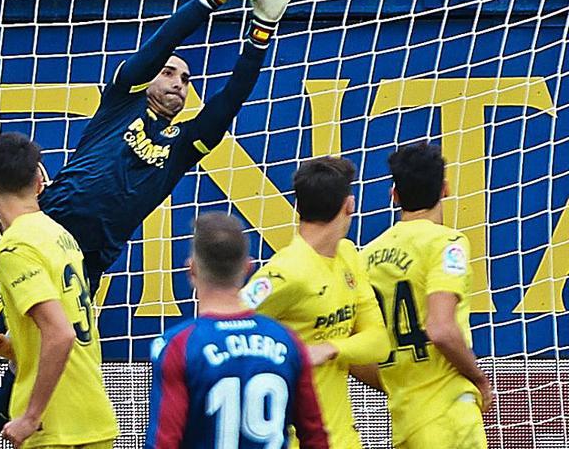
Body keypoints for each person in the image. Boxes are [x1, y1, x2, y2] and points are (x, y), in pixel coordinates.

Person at [0, 0, 301, 449]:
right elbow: (159, 44)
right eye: (170, 72)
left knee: (37, 362)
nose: (178, 82)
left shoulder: (182, 146)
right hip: (39, 239)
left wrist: (262, 28)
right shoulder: (120, 104)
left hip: (85, 264)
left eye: (186, 79)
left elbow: (230, 100)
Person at [0, 132, 118, 449]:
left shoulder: (15, 247)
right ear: (39, 182)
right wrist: (8, 345)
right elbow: (62, 326)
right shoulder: (60, 235)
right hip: (93, 415)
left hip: (52, 425)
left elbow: (61, 334)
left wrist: (30, 417)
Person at [239, 157, 389, 448]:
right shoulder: (284, 272)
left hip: (343, 439)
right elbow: (227, 327)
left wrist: (329, 348)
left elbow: (378, 341)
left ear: (298, 207)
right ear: (350, 204)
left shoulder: (348, 256)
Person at [146, 212, 329, 449]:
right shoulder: (287, 340)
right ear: (248, 267)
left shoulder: (178, 345)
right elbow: (316, 437)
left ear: (191, 269)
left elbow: (163, 442)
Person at [352, 142, 492, 448]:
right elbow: (441, 329)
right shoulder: (447, 243)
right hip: (449, 418)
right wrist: (480, 380)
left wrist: (396, 383)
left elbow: (351, 354)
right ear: (445, 189)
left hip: (405, 423)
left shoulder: (366, 257)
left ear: (395, 195)